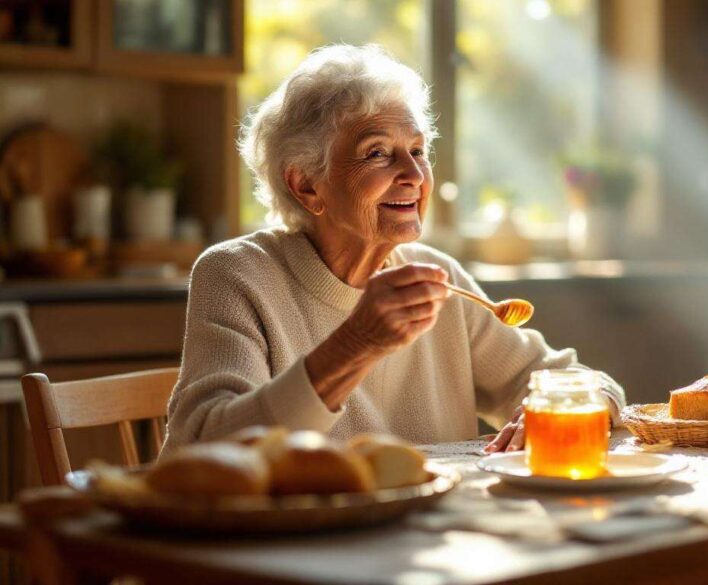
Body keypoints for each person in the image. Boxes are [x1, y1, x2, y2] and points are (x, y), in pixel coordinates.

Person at [163, 45, 625, 454]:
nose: (414, 175)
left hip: (435, 520)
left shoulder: (436, 276)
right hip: (301, 523)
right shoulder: (238, 275)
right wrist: (355, 344)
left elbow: (568, 378)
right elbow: (205, 448)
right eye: (378, 153)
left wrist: (567, 405)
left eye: (418, 151)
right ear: (306, 184)